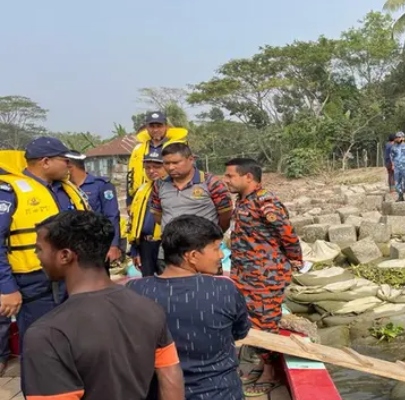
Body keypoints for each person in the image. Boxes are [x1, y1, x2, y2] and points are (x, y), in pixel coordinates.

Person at [22, 211, 184, 400]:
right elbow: (170, 377)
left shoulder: (47, 333)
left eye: (39, 249)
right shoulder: (148, 308)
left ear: (65, 255)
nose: (37, 256)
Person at [127, 215, 251, 400]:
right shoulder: (224, 289)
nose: (221, 255)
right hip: (220, 392)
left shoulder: (134, 290)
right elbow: (240, 331)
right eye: (216, 248)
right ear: (192, 256)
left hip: (157, 391)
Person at [0, 137, 90, 357]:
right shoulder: (10, 192)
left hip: (69, 278)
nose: (69, 165)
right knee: (38, 343)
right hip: (34, 283)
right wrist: (7, 287)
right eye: (64, 160)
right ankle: (36, 388)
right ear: (46, 162)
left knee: (69, 338)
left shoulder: (64, 189)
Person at [222, 158, 303, 397]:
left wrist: (296, 259)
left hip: (265, 275)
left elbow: (287, 234)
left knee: (266, 322)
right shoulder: (243, 200)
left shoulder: (265, 201)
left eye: (230, 176)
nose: (226, 180)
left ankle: (271, 372)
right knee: (252, 321)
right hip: (246, 274)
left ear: (248, 177)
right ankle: (261, 363)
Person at [151, 142, 232, 233]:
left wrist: (212, 236)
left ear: (191, 159)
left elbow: (226, 215)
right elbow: (157, 214)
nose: (171, 167)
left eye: (175, 162)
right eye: (166, 163)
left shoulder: (211, 182)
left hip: (204, 244)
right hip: (171, 245)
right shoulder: (159, 184)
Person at [66, 150, 122, 263]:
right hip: (71, 245)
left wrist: (113, 245)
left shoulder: (101, 185)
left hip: (96, 244)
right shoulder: (63, 188)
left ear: (70, 166)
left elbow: (112, 216)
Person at [127, 111, 188, 206]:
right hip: (142, 195)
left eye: (159, 126)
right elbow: (131, 174)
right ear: (147, 128)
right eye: (152, 126)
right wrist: (129, 201)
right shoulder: (138, 149)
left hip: (168, 194)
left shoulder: (177, 147)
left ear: (166, 127)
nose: (155, 130)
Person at [127, 151, 167, 276]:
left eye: (157, 167)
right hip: (145, 245)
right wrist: (135, 250)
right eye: (148, 167)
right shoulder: (142, 190)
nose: (151, 171)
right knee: (148, 283)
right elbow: (133, 221)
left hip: (165, 244)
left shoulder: (173, 189)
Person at [390, 132, 405, 202]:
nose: (397, 138)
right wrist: (393, 164)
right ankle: (400, 196)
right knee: (397, 182)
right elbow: (391, 157)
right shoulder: (393, 147)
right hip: (397, 167)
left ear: (403, 138)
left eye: (399, 137)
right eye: (397, 137)